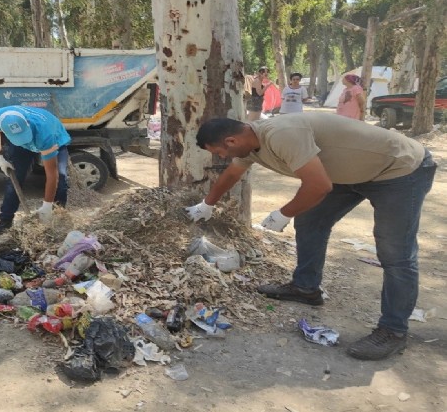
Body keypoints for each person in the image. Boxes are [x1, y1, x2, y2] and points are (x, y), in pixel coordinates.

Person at [185, 113, 436, 360]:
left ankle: (393, 331)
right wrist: (207, 204)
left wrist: (283, 214)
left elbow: (318, 186)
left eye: (218, 152)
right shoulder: (248, 145)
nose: (221, 157)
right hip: (348, 174)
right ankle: (305, 288)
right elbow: (231, 174)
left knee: (395, 252)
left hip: (399, 169)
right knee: (310, 220)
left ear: (230, 141)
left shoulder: (281, 134)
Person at [0, 106, 71, 235]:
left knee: (61, 177)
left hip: (52, 140)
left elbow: (52, 175)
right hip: (23, 142)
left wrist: (47, 206)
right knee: (16, 177)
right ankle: (6, 220)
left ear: (27, 123)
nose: (25, 142)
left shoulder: (45, 134)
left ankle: (57, 218)